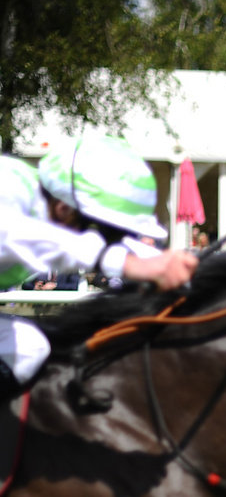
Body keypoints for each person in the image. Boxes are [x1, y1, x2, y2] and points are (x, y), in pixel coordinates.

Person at [0, 135, 198, 401]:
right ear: (64, 209)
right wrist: (127, 264)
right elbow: (10, 232)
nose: (110, 241)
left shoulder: (51, 208)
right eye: (107, 232)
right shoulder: (9, 185)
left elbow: (125, 250)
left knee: (26, 349)